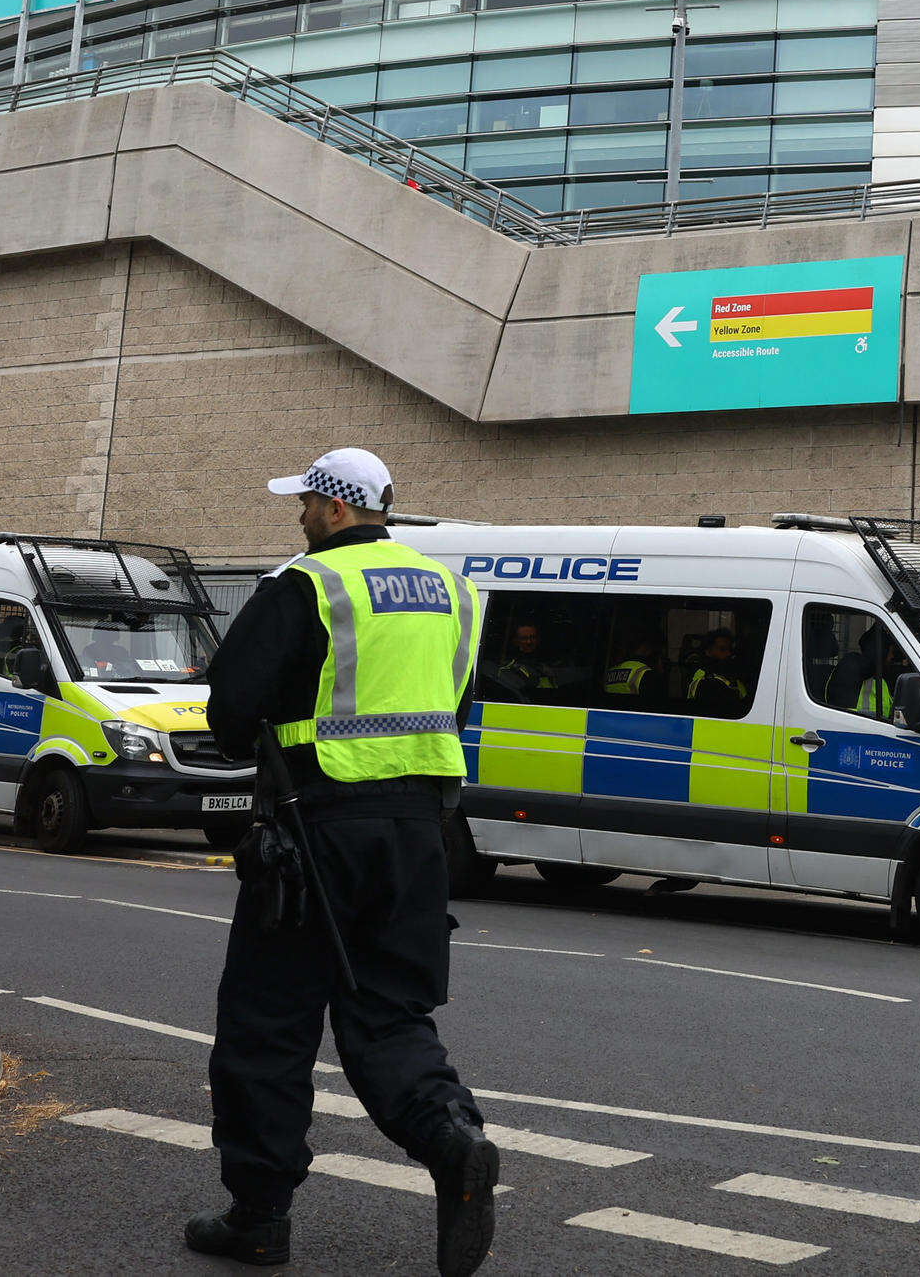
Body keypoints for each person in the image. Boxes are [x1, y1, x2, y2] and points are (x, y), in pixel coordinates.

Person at [191, 448, 496, 1276]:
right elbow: (454, 703)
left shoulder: (307, 585)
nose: (298, 516)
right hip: (418, 835)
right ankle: (450, 1137)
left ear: (333, 508)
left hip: (313, 832)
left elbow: (232, 712)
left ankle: (259, 1218)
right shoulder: (456, 595)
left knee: (268, 1025)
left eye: (305, 503)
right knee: (390, 1015)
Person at [490, 620, 568, 701]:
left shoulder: (550, 661)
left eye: (532, 637)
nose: (529, 642)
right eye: (524, 638)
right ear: (515, 641)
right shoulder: (506, 665)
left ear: (538, 640)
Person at [683, 628, 753, 717]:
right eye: (722, 649)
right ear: (708, 650)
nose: (728, 653)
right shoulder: (707, 678)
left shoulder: (729, 672)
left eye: (729, 649)